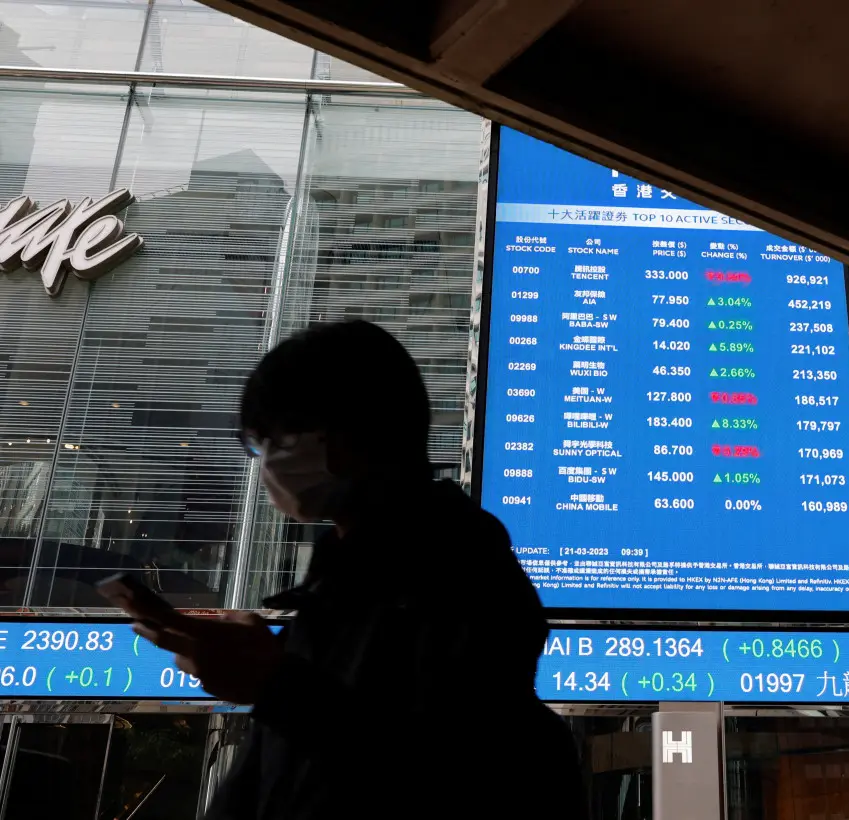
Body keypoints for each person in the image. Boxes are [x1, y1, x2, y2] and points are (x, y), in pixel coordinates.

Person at [121, 319, 586, 820]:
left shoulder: (455, 569)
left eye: (271, 441)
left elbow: (449, 769)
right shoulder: (340, 585)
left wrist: (275, 685)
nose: (266, 463)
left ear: (345, 435)